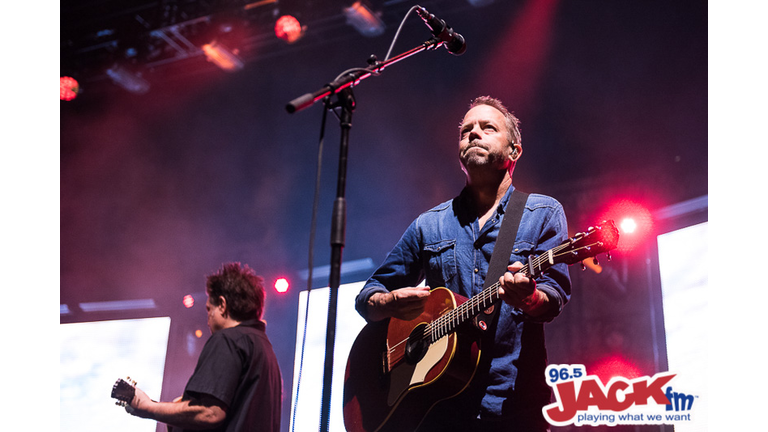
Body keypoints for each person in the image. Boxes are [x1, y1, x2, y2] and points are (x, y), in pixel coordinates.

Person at [354, 96, 571, 431]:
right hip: (436, 411)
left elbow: (552, 297)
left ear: (514, 151)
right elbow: (369, 294)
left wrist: (527, 298)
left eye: (487, 128)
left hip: (511, 409)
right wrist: (387, 302)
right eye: (466, 130)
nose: (473, 134)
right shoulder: (430, 224)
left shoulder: (542, 213)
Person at [126, 262, 282, 432]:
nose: (208, 319)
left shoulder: (228, 339)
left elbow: (211, 413)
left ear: (222, 305)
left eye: (209, 309)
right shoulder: (264, 348)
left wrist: (147, 407)